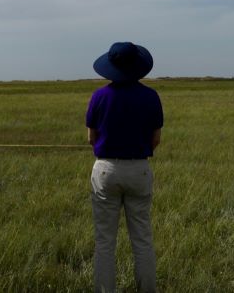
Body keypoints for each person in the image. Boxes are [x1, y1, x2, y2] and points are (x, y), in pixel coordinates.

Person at [87, 42, 163, 293]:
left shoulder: (99, 96)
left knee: (105, 241)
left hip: (106, 170)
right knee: (142, 238)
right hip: (139, 169)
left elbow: (91, 138)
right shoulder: (150, 96)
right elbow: (155, 139)